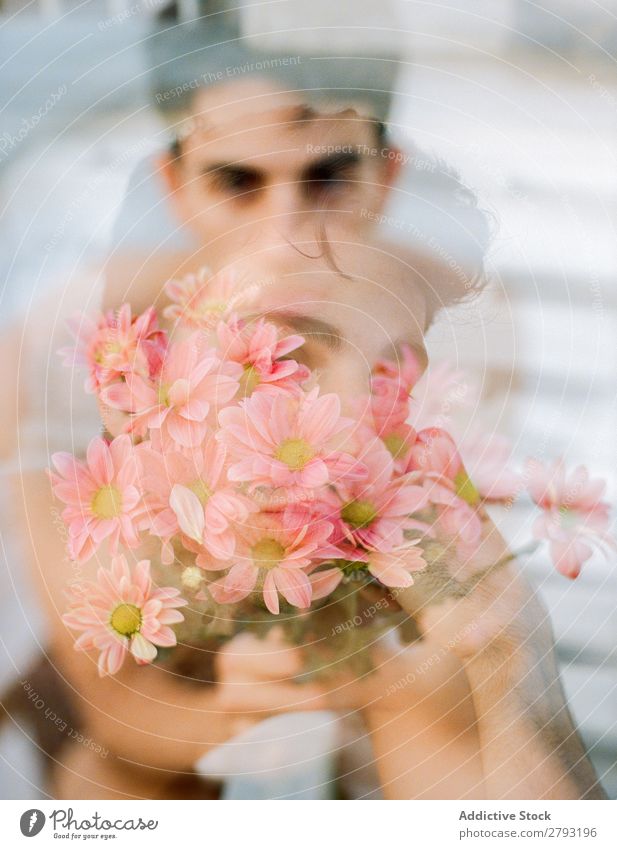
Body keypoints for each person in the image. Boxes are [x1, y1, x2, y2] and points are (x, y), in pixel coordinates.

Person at [2, 77, 604, 800]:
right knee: (120, 779)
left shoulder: (461, 324)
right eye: (236, 181)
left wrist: (492, 663)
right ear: (175, 183)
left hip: (346, 628)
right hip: (140, 683)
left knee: (442, 684)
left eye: (326, 175)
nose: (286, 232)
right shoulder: (71, 341)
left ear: (386, 174)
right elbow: (118, 709)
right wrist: (229, 706)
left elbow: (427, 574)